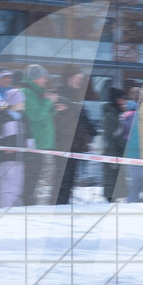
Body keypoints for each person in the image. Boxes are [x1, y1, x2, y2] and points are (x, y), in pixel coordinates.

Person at [54, 65, 97, 205]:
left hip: (76, 146)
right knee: (62, 180)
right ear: (69, 77)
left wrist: (91, 134)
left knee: (70, 180)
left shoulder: (77, 95)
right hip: (62, 144)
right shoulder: (60, 93)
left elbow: (83, 118)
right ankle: (58, 206)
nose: (80, 82)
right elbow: (57, 118)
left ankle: (63, 205)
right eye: (78, 78)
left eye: (81, 79)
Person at [21, 64, 59, 205]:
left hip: (41, 142)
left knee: (36, 177)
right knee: (31, 178)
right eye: (43, 77)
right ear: (35, 78)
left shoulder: (37, 92)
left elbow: (42, 115)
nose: (45, 80)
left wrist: (53, 109)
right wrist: (49, 101)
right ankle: (27, 204)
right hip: (34, 142)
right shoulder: (27, 92)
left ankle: (30, 203)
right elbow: (35, 115)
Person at [0, 88, 28, 207]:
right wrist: (4, 148)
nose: (24, 104)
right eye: (22, 101)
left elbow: (25, 139)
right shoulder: (2, 117)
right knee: (6, 188)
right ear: (14, 102)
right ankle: (4, 210)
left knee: (18, 188)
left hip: (19, 159)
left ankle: (16, 211)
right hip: (6, 161)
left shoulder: (21, 119)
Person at [102, 87, 128, 202]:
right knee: (112, 183)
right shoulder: (111, 116)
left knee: (118, 184)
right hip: (112, 155)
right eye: (122, 99)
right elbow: (108, 138)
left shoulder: (120, 114)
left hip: (119, 154)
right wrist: (113, 158)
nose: (125, 101)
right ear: (116, 100)